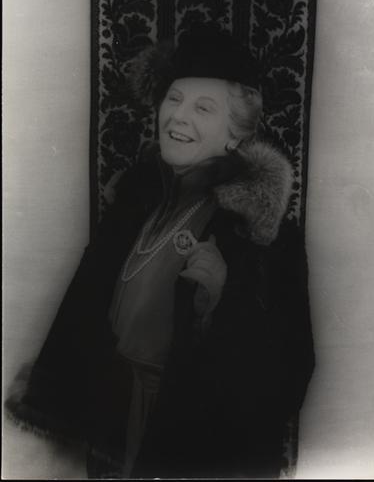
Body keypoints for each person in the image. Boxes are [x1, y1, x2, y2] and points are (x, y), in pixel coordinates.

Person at [5, 24, 315, 479]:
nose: (178, 117)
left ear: (235, 136)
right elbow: (83, 309)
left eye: (203, 108)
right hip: (111, 422)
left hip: (184, 440)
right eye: (174, 99)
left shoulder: (262, 237)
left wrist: (220, 301)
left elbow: (288, 372)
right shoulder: (134, 203)